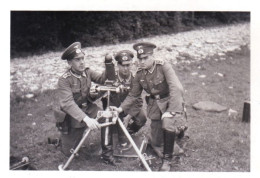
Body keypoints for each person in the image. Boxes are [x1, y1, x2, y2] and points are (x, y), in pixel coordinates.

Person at [110, 42, 186, 171]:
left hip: (170, 100)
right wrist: (120, 108)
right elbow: (133, 95)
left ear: (152, 56)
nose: (142, 61)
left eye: (145, 58)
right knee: (156, 142)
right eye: (140, 59)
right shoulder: (140, 74)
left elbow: (176, 87)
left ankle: (167, 160)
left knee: (167, 122)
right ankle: (177, 130)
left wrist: (172, 110)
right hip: (155, 105)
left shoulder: (163, 66)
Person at [55, 42, 118, 165]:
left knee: (106, 118)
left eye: (83, 58)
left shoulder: (87, 72)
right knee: (69, 151)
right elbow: (67, 103)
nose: (82, 62)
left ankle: (106, 154)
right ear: (69, 63)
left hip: (88, 108)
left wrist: (109, 64)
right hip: (73, 115)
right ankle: (61, 141)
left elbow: (102, 79)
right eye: (77, 60)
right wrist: (86, 119)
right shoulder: (64, 80)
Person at [101, 50, 147, 150]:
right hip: (115, 108)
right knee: (114, 133)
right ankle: (117, 132)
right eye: (122, 65)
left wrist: (128, 117)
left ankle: (129, 131)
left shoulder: (135, 79)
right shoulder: (111, 77)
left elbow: (138, 102)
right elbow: (105, 95)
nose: (125, 68)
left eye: (128, 65)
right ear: (118, 65)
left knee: (142, 118)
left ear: (131, 64)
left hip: (129, 108)